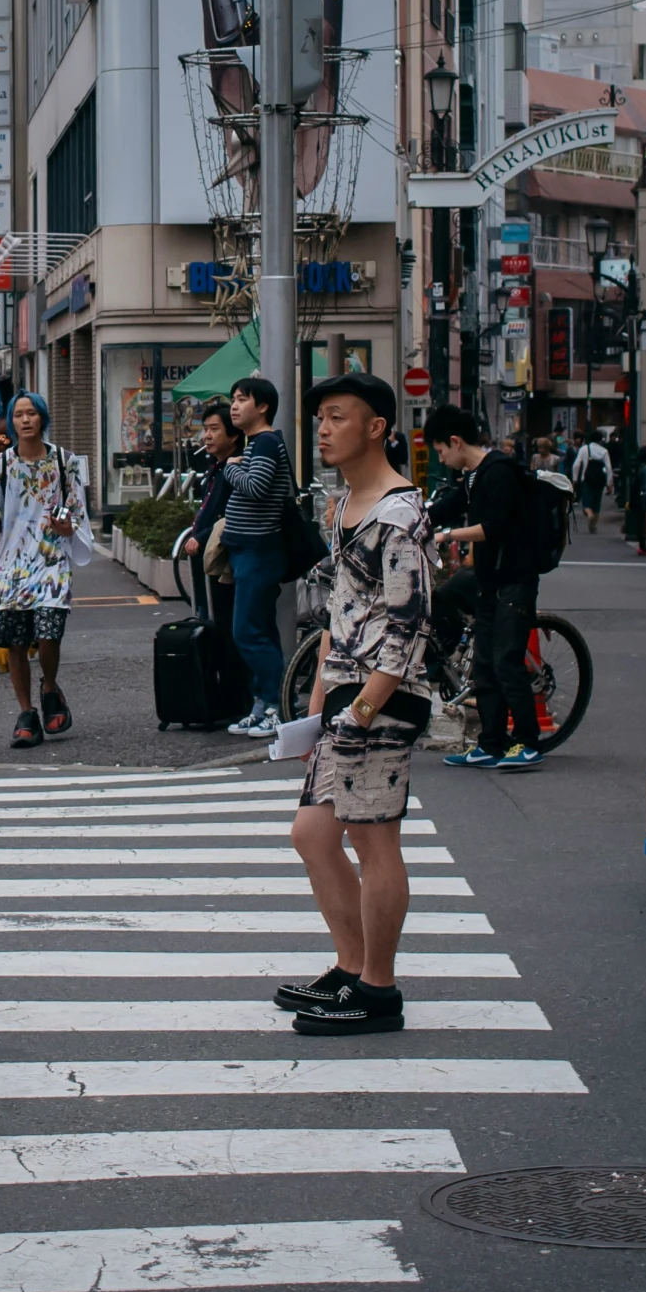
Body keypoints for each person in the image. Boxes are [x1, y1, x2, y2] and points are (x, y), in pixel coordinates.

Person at [280, 371, 435, 1036]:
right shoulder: (342, 507)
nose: (323, 427)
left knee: (375, 844)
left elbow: (408, 629)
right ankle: (350, 967)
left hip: (381, 700)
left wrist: (364, 709)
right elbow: (338, 619)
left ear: (377, 427)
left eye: (338, 416)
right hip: (343, 695)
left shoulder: (400, 516)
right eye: (321, 417)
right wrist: (317, 710)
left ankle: (378, 988)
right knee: (313, 834)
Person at [423, 403, 544, 772]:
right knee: (485, 665)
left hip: (514, 580)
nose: (442, 459)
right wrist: (415, 519)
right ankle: (490, 743)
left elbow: (495, 527)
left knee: (507, 661)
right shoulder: (473, 477)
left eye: (442, 451)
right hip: (491, 581)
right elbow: (447, 506)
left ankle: (526, 742)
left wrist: (447, 535)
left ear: (456, 442)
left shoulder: (498, 472)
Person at [0, 389, 93, 748]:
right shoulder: (0, 466)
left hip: (51, 558)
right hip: (10, 565)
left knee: (49, 630)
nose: (25, 420)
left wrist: (68, 527)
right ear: (11, 421)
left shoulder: (64, 462)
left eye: (31, 413)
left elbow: (77, 513)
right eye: (18, 414)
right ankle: (27, 713)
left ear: (42, 418)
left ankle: (50, 687)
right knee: (15, 641)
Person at [219, 373, 297, 741]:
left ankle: (277, 706)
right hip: (249, 550)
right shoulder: (256, 443)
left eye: (242, 399)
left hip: (259, 551)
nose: (234, 405)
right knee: (259, 630)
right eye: (233, 399)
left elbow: (256, 487)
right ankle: (262, 704)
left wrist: (231, 468)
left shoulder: (264, 443)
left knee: (248, 632)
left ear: (262, 406)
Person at [182, 399, 241, 626]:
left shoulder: (235, 470)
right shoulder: (215, 469)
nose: (206, 436)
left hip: (225, 563)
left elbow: (230, 516)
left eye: (214, 429)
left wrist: (202, 536)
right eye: (205, 429)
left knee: (225, 623)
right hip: (208, 562)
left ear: (234, 434)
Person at [572, 432, 613, 533]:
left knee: (586, 502)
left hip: (587, 479)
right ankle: (592, 526)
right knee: (597, 503)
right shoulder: (604, 451)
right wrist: (609, 483)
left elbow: (576, 465)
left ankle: (589, 514)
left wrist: (575, 479)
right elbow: (608, 468)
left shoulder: (584, 449)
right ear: (600, 440)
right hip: (600, 480)